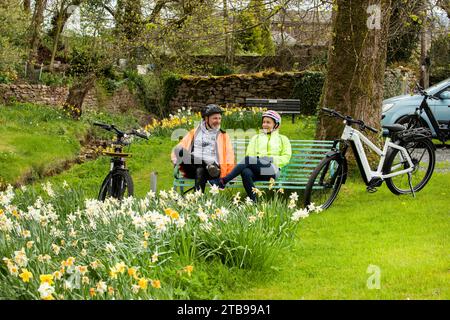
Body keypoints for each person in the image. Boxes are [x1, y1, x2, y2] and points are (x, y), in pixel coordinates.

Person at [208, 110, 291, 201]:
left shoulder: (283, 139)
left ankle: (223, 181)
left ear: (276, 125)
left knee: (248, 160)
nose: (265, 125)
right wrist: (258, 161)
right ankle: (253, 202)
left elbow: (286, 157)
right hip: (258, 170)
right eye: (263, 122)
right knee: (246, 172)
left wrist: (270, 159)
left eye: (268, 122)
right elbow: (250, 154)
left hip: (272, 170)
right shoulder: (256, 138)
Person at [171, 104, 235, 192]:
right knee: (179, 150)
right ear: (206, 118)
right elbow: (181, 146)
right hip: (192, 166)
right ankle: (207, 166)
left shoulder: (223, 136)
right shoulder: (194, 132)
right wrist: (175, 161)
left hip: (213, 170)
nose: (218, 121)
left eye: (219, 118)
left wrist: (230, 175)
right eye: (215, 118)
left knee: (200, 170)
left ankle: (197, 200)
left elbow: (229, 155)